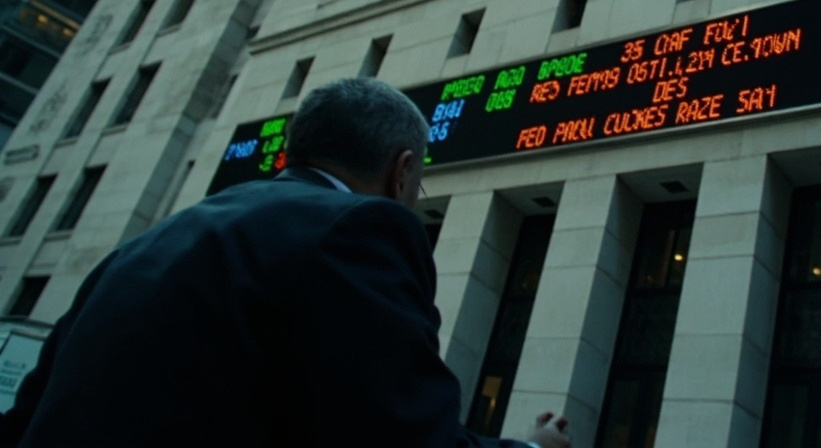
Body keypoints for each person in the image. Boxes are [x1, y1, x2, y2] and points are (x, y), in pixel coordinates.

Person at [0, 78, 571, 448]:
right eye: (417, 182)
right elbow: (403, 436)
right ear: (400, 172)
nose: (413, 197)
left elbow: (28, 413)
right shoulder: (358, 230)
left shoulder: (147, 244)